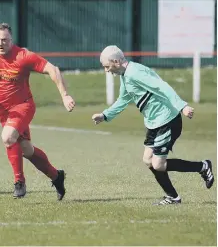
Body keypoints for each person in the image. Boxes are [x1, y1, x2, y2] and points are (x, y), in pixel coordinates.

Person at [0, 23, 75, 200]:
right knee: (26, 150)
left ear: (11, 40)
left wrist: (65, 95)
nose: (0, 43)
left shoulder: (23, 56)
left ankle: (19, 181)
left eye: (4, 40)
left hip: (23, 106)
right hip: (4, 111)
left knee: (7, 137)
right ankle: (56, 176)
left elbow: (52, 69)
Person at [91, 45, 214, 205]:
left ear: (115, 61)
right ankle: (173, 197)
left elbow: (161, 86)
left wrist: (182, 106)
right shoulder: (126, 75)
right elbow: (123, 99)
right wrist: (105, 115)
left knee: (158, 164)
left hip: (167, 120)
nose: (107, 71)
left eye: (107, 66)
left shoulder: (135, 73)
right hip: (154, 123)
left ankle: (202, 167)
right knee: (148, 160)